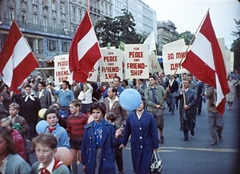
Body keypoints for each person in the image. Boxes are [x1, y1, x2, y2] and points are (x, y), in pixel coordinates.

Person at [119, 97, 158, 174]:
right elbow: (127, 131)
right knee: (137, 167)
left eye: (140, 103)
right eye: (137, 103)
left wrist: (155, 146)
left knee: (145, 167)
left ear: (144, 104)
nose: (139, 105)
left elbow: (154, 132)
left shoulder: (150, 116)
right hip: (135, 145)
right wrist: (123, 143)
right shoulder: (130, 117)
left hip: (147, 145)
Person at [81, 102, 123, 174]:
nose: (95, 115)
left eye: (98, 112)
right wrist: (84, 163)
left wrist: (116, 137)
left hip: (106, 155)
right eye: (93, 112)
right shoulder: (88, 128)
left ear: (103, 113)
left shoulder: (109, 127)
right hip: (92, 154)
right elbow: (84, 146)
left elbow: (115, 144)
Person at [103, 86, 127, 174]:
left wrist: (126, 125)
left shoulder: (119, 101)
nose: (107, 93)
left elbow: (124, 113)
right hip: (106, 125)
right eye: (107, 92)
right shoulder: (105, 100)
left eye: (109, 92)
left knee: (117, 151)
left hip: (116, 125)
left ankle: (121, 170)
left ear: (114, 93)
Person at [66, 99, 88, 174]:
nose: (70, 109)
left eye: (72, 107)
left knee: (81, 159)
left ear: (78, 107)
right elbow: (69, 128)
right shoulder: (69, 117)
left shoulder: (84, 117)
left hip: (82, 140)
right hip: (73, 140)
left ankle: (87, 170)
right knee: (72, 159)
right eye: (70, 107)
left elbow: (87, 128)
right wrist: (64, 131)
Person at [144, 75, 168, 144]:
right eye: (149, 80)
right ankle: (155, 137)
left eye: (151, 80)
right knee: (152, 124)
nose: (150, 81)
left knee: (160, 124)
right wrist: (154, 105)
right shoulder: (147, 90)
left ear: (154, 81)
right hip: (151, 109)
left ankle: (161, 135)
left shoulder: (160, 88)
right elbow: (147, 100)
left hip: (159, 108)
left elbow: (166, 95)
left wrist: (167, 91)